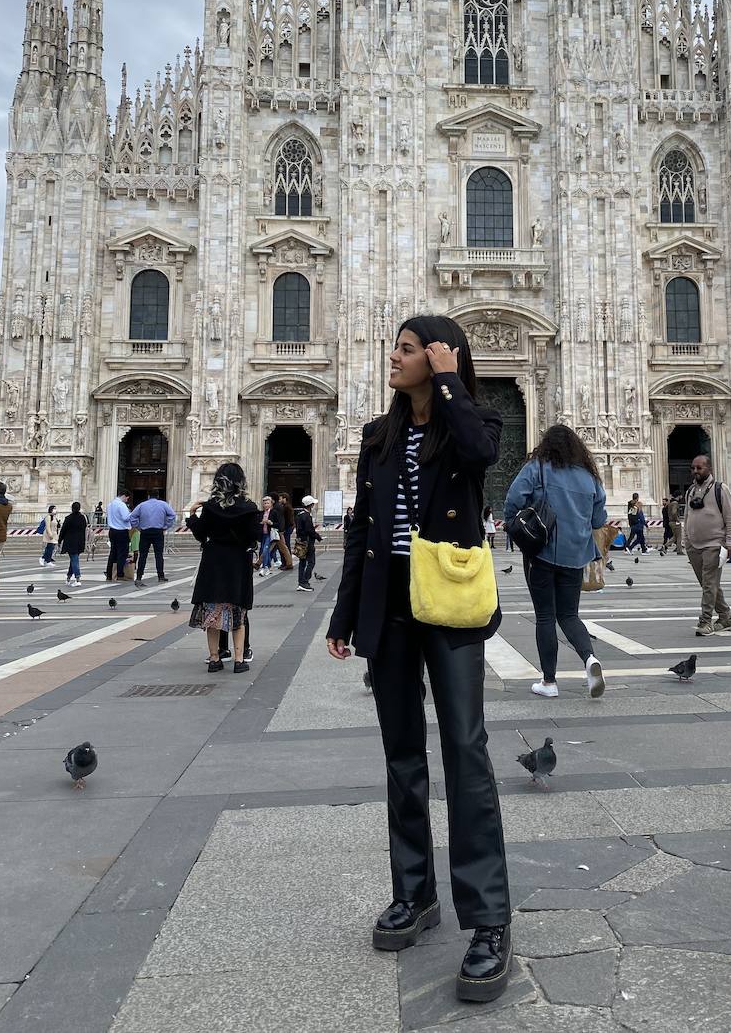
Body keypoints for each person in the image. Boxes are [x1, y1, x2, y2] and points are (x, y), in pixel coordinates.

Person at [326, 315, 512, 1004]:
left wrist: (449, 381)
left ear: (439, 356)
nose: (393, 360)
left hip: (451, 606)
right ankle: (414, 894)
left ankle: (488, 921)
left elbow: (479, 459)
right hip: (391, 609)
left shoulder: (475, 421)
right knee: (402, 756)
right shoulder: (377, 436)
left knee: (466, 753)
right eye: (397, 350)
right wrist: (346, 617)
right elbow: (360, 533)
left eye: (406, 350)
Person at [504, 424, 609, 700]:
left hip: (541, 553)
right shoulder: (590, 478)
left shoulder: (537, 467)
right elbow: (599, 520)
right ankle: (589, 659)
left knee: (546, 616)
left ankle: (549, 681)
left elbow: (513, 501)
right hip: (575, 558)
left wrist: (517, 524)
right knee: (569, 615)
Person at [187, 462, 263, 674]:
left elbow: (201, 533)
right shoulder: (249, 508)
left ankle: (214, 659)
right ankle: (239, 660)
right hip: (238, 563)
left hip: (214, 563)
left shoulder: (210, 507)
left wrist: (192, 516)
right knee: (237, 611)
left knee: (213, 613)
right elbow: (254, 535)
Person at [683, 455, 731, 636]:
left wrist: (730, 542)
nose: (695, 471)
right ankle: (725, 616)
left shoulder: (721, 489)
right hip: (694, 545)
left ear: (709, 469)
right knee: (709, 584)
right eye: (693, 468)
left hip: (714, 543)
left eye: (699, 468)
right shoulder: (690, 490)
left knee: (709, 583)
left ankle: (705, 621)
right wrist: (686, 540)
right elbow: (687, 516)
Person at [130, 491, 177, 586]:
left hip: (145, 532)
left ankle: (139, 577)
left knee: (143, 555)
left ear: (148, 496)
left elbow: (132, 516)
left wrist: (138, 526)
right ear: (158, 496)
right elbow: (172, 515)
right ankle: (161, 576)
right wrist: (166, 526)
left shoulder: (141, 505)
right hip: (158, 532)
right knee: (159, 555)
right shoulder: (163, 504)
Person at [104, 491, 133, 582]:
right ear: (124, 496)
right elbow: (126, 517)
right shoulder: (121, 505)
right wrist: (132, 514)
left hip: (112, 531)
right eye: (127, 498)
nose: (127, 500)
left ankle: (110, 574)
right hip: (121, 531)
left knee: (113, 553)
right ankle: (120, 573)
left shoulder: (110, 505)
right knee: (122, 553)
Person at [58, 501, 88, 587]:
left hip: (70, 542)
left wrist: (60, 541)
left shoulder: (68, 518)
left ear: (72, 508)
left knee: (74, 560)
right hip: (80, 542)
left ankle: (78, 578)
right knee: (73, 559)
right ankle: (68, 577)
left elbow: (63, 531)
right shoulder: (83, 518)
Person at [296, 495, 318, 591]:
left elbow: (301, 529)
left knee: (302, 562)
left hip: (301, 541)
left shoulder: (299, 515)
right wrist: (318, 537)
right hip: (307, 542)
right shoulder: (307, 516)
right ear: (310, 505)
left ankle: (301, 582)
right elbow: (309, 530)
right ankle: (305, 581)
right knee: (311, 562)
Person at [259, 496, 280, 571]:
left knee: (265, 549)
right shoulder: (261, 513)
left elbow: (278, 524)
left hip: (269, 534)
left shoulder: (274, 512)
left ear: (271, 504)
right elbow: (258, 523)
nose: (266, 505)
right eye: (264, 503)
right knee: (263, 550)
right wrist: (261, 523)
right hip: (263, 534)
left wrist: (271, 523)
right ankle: (268, 565)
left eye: (268, 503)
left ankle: (265, 566)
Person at [275, 491, 295, 571]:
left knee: (286, 546)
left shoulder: (286, 508)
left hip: (286, 529)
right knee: (284, 546)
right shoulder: (285, 507)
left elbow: (287, 520)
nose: (279, 500)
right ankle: (285, 563)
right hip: (287, 528)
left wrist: (283, 529)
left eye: (280, 499)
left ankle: (288, 563)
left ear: (284, 499)